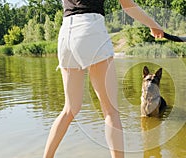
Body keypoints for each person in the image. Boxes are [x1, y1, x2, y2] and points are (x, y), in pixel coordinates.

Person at [43, 0, 164, 158]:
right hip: (90, 29)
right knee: (111, 112)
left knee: (69, 109)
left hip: (66, 34)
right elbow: (127, 5)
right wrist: (153, 24)